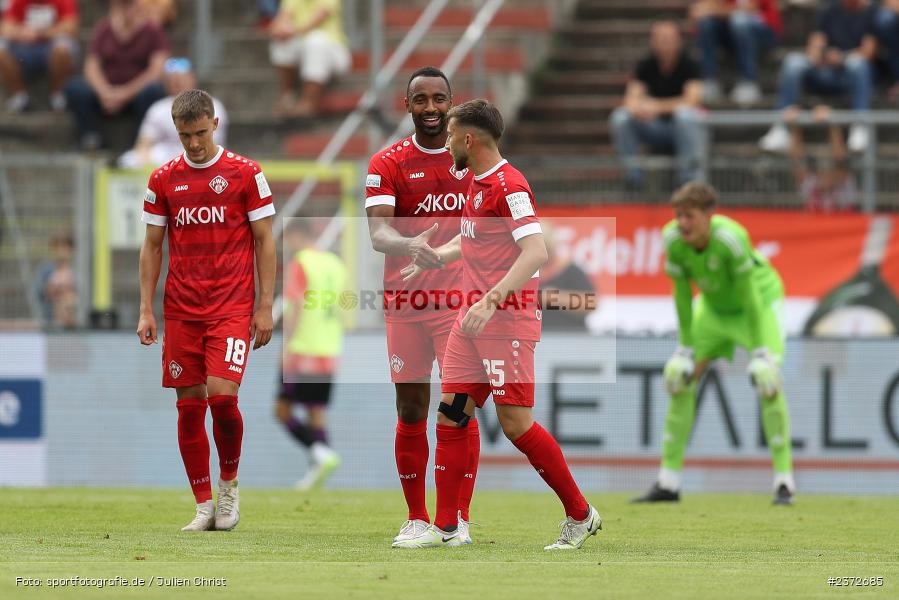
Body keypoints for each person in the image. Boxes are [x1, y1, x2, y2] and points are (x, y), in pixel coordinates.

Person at [394, 99, 602, 551]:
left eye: (450, 135)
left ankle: (581, 514)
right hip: (470, 322)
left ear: (469, 139)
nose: (446, 143)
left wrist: (489, 301)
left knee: (516, 424)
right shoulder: (474, 181)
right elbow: (476, 245)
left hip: (505, 321)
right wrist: (436, 258)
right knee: (451, 415)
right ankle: (446, 527)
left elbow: (535, 253)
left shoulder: (510, 186)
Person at [136, 88, 276, 532]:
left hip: (231, 307)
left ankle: (229, 486)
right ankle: (203, 505)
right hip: (181, 309)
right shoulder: (163, 179)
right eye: (184, 136)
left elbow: (264, 241)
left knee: (222, 396)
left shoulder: (245, 173)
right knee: (189, 406)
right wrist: (146, 309)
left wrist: (264, 305)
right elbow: (152, 247)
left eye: (199, 133)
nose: (194, 143)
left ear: (215, 124)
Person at [365, 67, 483, 546]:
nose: (431, 108)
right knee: (411, 407)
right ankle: (417, 518)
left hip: (460, 301)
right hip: (407, 301)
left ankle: (456, 521)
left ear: (452, 103)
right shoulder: (387, 162)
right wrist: (409, 244)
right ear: (406, 105)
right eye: (421, 100)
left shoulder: (473, 156)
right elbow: (378, 232)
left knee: (459, 408)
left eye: (439, 99)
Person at [633, 182, 795, 506]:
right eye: (678, 215)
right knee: (680, 379)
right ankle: (668, 481)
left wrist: (761, 352)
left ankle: (784, 482)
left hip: (758, 307)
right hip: (712, 310)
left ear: (709, 215)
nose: (682, 223)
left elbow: (750, 296)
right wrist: (685, 349)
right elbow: (681, 295)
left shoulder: (730, 239)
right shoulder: (673, 240)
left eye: (690, 216)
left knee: (767, 381)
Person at [276, 218, 344, 490]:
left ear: (295, 235)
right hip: (329, 350)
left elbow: (298, 306)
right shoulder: (336, 265)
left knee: (281, 410)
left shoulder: (301, 263)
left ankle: (319, 452)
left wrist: (287, 347)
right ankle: (318, 469)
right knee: (316, 412)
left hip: (303, 350)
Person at [758, 0, 877, 154]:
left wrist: (841, 58)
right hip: (823, 71)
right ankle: (781, 126)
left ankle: (860, 125)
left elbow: (868, 53)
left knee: (858, 63)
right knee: (793, 62)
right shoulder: (829, 9)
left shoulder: (872, 11)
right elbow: (815, 44)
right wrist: (821, 56)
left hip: (849, 76)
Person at [609, 21, 703, 189]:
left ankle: (687, 182)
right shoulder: (646, 65)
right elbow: (630, 100)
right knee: (620, 117)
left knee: (685, 116)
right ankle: (633, 179)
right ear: (652, 42)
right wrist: (640, 109)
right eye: (660, 39)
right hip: (653, 127)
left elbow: (692, 101)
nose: (665, 43)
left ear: (679, 41)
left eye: (669, 39)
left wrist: (656, 106)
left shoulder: (690, 65)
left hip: (681, 129)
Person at [64, 0, 169, 151]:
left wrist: (125, 93)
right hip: (106, 94)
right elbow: (91, 65)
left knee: (154, 91)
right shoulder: (105, 28)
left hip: (137, 95)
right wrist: (105, 92)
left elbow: (156, 71)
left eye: (128, 5)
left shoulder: (153, 30)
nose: (125, 10)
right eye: (121, 5)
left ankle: (139, 142)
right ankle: (91, 138)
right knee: (74, 88)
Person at [118, 57, 228, 168]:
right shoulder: (158, 108)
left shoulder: (212, 104)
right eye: (172, 79)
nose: (176, 82)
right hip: (166, 156)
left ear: (192, 79)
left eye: (181, 79)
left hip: (200, 152)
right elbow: (144, 143)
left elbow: (214, 141)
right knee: (129, 159)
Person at [267, 0, 351, 117]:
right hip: (305, 47)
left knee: (315, 40)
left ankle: (309, 102)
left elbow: (316, 21)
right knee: (282, 42)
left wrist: (292, 32)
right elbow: (281, 19)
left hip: (335, 52)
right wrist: (278, 30)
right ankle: (287, 98)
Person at [692, 0, 782, 107]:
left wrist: (716, 10)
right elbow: (698, 10)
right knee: (706, 24)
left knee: (739, 20)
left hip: (764, 32)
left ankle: (748, 82)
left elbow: (749, 8)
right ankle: (709, 81)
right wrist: (714, 10)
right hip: (732, 32)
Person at [0, 0, 79, 112]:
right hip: (23, 50)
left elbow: (71, 28)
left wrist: (40, 33)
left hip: (52, 50)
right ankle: (19, 96)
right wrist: (22, 32)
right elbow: (5, 28)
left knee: (63, 47)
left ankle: (58, 95)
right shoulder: (18, 2)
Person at [538, 221, 598, 331]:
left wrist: (555, 298)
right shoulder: (524, 272)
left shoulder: (571, 271)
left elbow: (591, 303)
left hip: (570, 338)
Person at [33, 233, 77, 329]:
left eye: (64, 247)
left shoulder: (77, 271)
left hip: (72, 316)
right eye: (57, 247)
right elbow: (39, 291)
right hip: (51, 317)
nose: (61, 251)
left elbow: (81, 294)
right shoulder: (45, 269)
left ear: (71, 250)